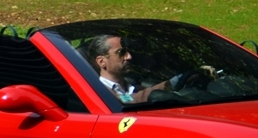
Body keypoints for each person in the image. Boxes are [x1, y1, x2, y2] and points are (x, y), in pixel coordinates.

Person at [86, 34, 216, 104]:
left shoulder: (134, 87)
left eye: (128, 51)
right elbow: (130, 100)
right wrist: (175, 81)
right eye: (121, 53)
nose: (129, 57)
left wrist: (191, 75)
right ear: (102, 61)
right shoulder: (99, 94)